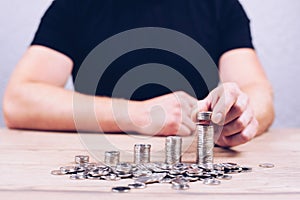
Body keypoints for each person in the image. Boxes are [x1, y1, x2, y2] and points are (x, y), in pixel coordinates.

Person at [3, 0, 274, 147]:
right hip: (99, 162)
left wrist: (240, 116)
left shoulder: (220, 5)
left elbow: (257, 91)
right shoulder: (74, 5)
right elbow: (19, 100)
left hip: (191, 168)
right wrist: (141, 115)